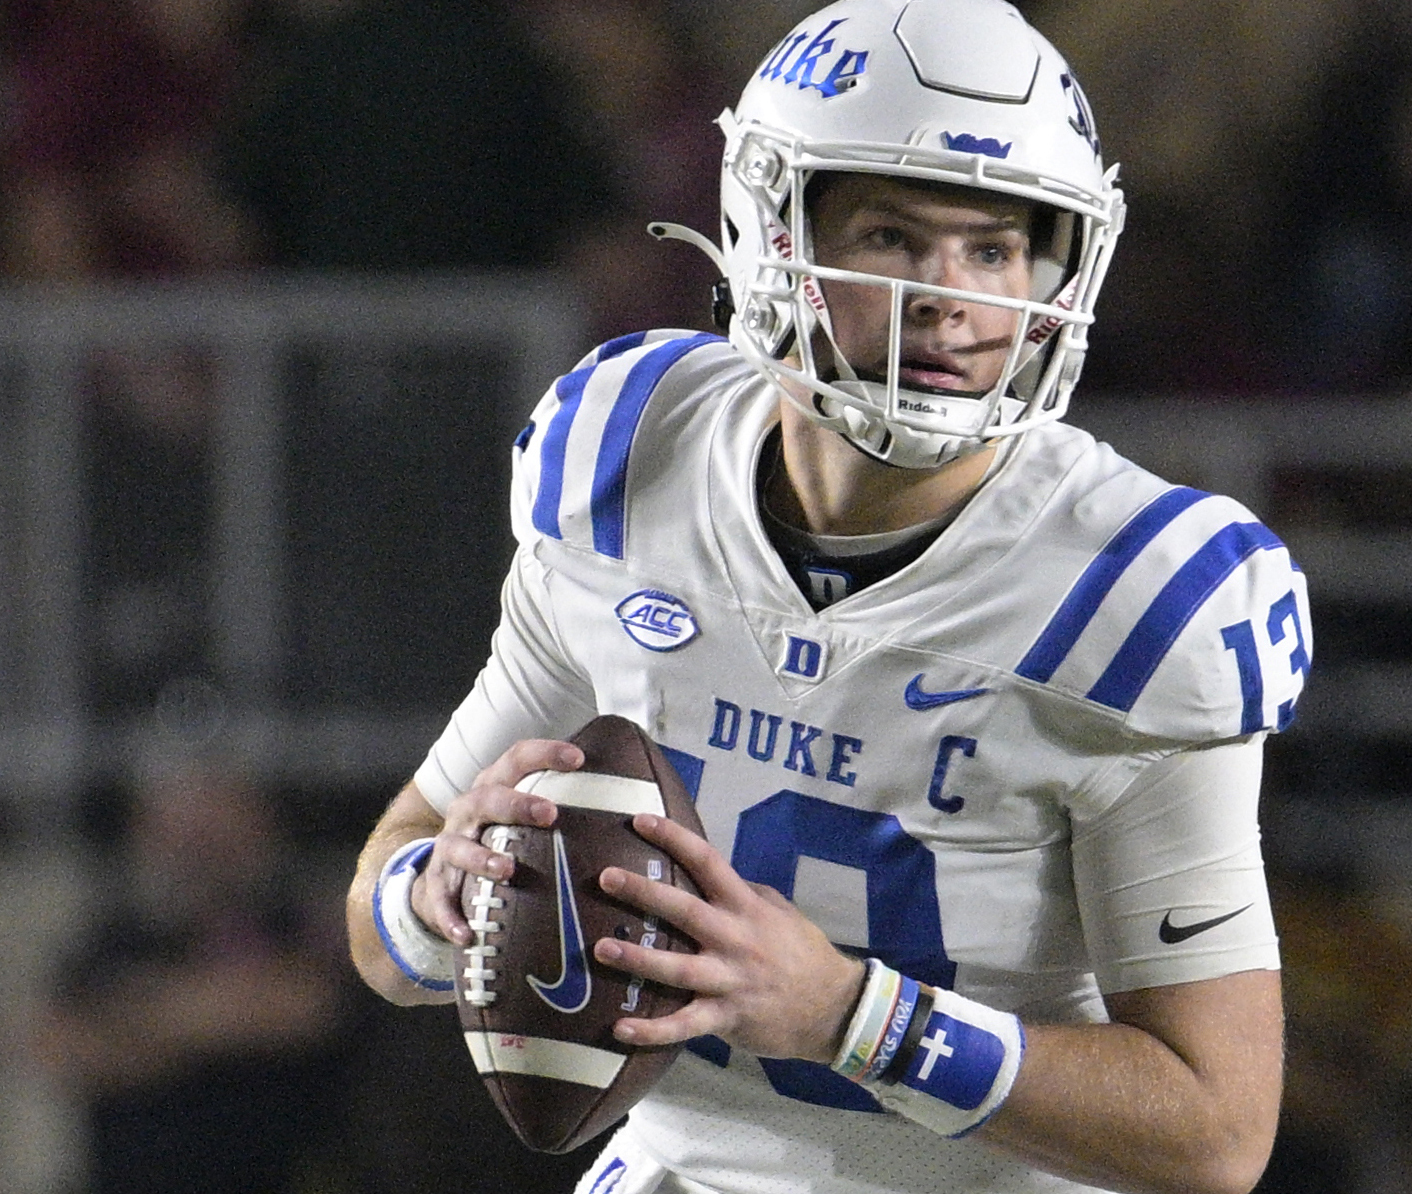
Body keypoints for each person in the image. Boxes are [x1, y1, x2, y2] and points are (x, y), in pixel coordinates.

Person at [346, 2, 1310, 1192]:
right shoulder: (629, 457)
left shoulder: (1133, 596)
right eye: (896, 237)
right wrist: (432, 905)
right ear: (771, 234)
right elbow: (381, 917)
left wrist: (850, 1015)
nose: (952, 297)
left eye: (997, 249)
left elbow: (1216, 1132)